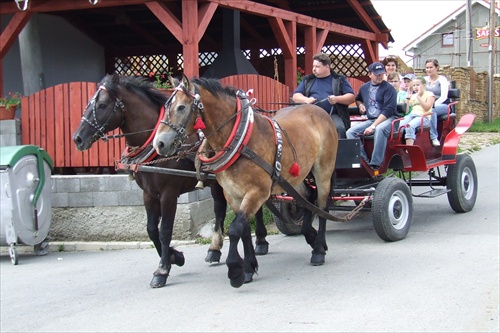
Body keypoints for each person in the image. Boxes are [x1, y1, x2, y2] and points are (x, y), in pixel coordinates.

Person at [346, 62, 398, 169]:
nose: (379, 76)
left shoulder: (389, 88)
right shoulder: (364, 87)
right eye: (377, 74)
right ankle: (362, 160)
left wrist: (373, 126)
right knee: (350, 132)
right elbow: (358, 98)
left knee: (380, 129)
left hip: (389, 119)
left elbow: (388, 111)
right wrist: (360, 105)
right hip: (372, 119)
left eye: (381, 74)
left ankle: (376, 164)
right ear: (370, 74)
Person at [293, 53, 355, 138]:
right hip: (311, 115)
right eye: (313, 66)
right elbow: (296, 96)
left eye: (317, 67)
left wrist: (337, 99)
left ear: (327, 67)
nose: (314, 69)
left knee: (339, 128)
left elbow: (351, 97)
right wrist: (306, 100)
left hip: (333, 115)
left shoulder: (339, 79)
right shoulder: (308, 80)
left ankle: (340, 151)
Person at [400, 76, 436, 146]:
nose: (415, 87)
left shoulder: (429, 94)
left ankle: (409, 149)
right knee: (399, 125)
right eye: (414, 85)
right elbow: (407, 111)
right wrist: (407, 99)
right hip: (412, 115)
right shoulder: (413, 96)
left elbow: (427, 108)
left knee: (409, 126)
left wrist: (419, 97)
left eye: (418, 85)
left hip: (424, 117)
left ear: (424, 85)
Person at [424, 58, 449, 145]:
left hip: (442, 105)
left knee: (432, 110)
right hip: (426, 105)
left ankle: (433, 137)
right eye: (427, 68)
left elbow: (444, 96)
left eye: (431, 67)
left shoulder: (442, 80)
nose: (428, 70)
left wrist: (432, 104)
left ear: (437, 68)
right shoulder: (424, 80)